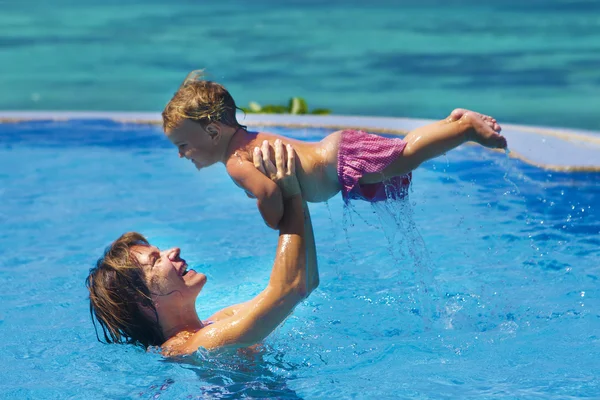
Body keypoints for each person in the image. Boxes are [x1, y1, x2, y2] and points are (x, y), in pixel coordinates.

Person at [161, 71, 508, 229]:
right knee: (404, 153)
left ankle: (464, 129)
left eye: (183, 145)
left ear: (211, 131)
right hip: (339, 153)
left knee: (408, 155)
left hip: (341, 160)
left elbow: (266, 191)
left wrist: (273, 219)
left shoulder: (236, 163)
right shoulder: (246, 141)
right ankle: (452, 122)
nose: (182, 154)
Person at [86, 141, 318, 355]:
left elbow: (304, 282)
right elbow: (289, 289)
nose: (173, 250)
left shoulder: (218, 321)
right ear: (144, 302)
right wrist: (292, 194)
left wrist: (296, 193)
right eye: (156, 260)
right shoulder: (193, 346)